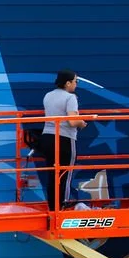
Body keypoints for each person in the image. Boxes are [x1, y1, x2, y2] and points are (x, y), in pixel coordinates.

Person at [39, 69, 88, 210]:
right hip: (64, 139)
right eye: (75, 81)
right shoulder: (70, 97)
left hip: (47, 137)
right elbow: (72, 121)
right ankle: (62, 206)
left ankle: (53, 207)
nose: (76, 84)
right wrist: (82, 122)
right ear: (67, 83)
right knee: (65, 175)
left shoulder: (48, 95)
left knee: (53, 175)